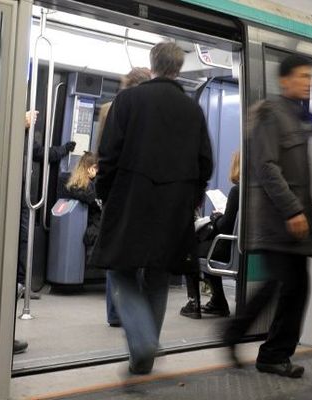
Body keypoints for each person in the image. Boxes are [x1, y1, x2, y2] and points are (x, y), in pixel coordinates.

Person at [89, 42, 213, 375]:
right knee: (158, 275)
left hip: (130, 199)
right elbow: (205, 162)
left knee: (120, 269)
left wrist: (104, 192)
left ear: (152, 64)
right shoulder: (192, 109)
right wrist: (193, 196)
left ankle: (142, 341)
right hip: (175, 206)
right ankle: (144, 355)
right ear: (179, 68)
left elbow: (109, 154)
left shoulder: (128, 100)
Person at [222, 55, 312, 378]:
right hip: (278, 218)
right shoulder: (270, 114)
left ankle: (264, 349)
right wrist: (292, 209)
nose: (309, 82)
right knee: (287, 285)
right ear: (284, 80)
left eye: (311, 77)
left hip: (293, 220)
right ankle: (260, 347)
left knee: (291, 286)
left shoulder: (296, 116)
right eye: (303, 76)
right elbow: (266, 167)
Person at [14, 110, 75, 355]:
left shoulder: (27, 137)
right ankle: (17, 283)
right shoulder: (11, 131)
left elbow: (42, 154)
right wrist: (22, 123)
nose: (33, 118)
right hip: (13, 196)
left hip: (21, 195)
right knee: (21, 238)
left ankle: (19, 283)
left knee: (24, 239)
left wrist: (64, 149)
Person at [95, 67, 151, 327]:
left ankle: (114, 313)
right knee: (136, 255)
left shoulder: (109, 108)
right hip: (136, 192)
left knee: (114, 253)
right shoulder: (145, 112)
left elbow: (104, 151)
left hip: (114, 191)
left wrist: (103, 191)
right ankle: (131, 310)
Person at [180, 151, 240, 319]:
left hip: (227, 247)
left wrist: (217, 216)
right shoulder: (252, 192)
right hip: (238, 247)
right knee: (205, 247)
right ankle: (218, 301)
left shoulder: (237, 191)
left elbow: (225, 225)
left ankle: (193, 303)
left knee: (190, 250)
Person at [60, 151, 101, 259]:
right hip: (92, 228)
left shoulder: (74, 183)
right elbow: (92, 199)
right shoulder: (86, 186)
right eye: (96, 168)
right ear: (90, 168)